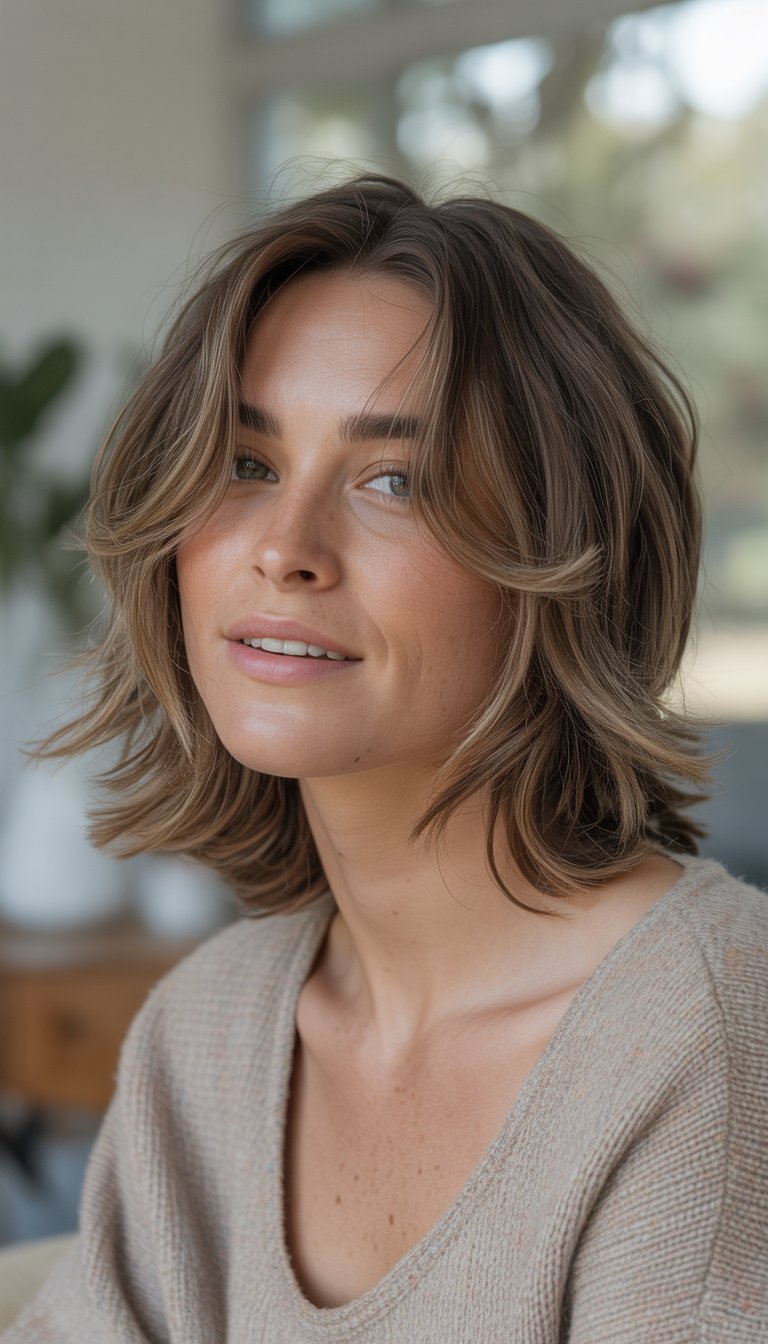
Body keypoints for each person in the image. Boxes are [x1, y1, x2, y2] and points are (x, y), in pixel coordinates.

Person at [4, 174, 767, 1343]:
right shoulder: (207, 1032)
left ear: (567, 554)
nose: (284, 550)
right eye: (247, 464)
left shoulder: (707, 1038)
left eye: (392, 481)